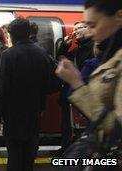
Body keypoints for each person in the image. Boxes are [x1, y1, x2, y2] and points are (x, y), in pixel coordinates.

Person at [56, 0, 122, 161]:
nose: (90, 32)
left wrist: (77, 84)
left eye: (92, 25)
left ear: (119, 16)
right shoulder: (107, 54)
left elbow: (116, 129)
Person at [0, 18, 51, 171]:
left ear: (12, 35)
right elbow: (50, 83)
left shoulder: (8, 55)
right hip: (34, 111)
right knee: (29, 155)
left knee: (14, 155)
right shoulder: (42, 53)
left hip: (13, 113)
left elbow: (2, 87)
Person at [56, 20, 94, 155]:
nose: (75, 31)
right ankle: (66, 148)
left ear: (90, 29)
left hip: (87, 96)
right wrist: (64, 47)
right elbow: (61, 61)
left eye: (79, 28)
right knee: (67, 123)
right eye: (75, 28)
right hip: (71, 94)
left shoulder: (95, 49)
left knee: (85, 127)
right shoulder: (76, 50)